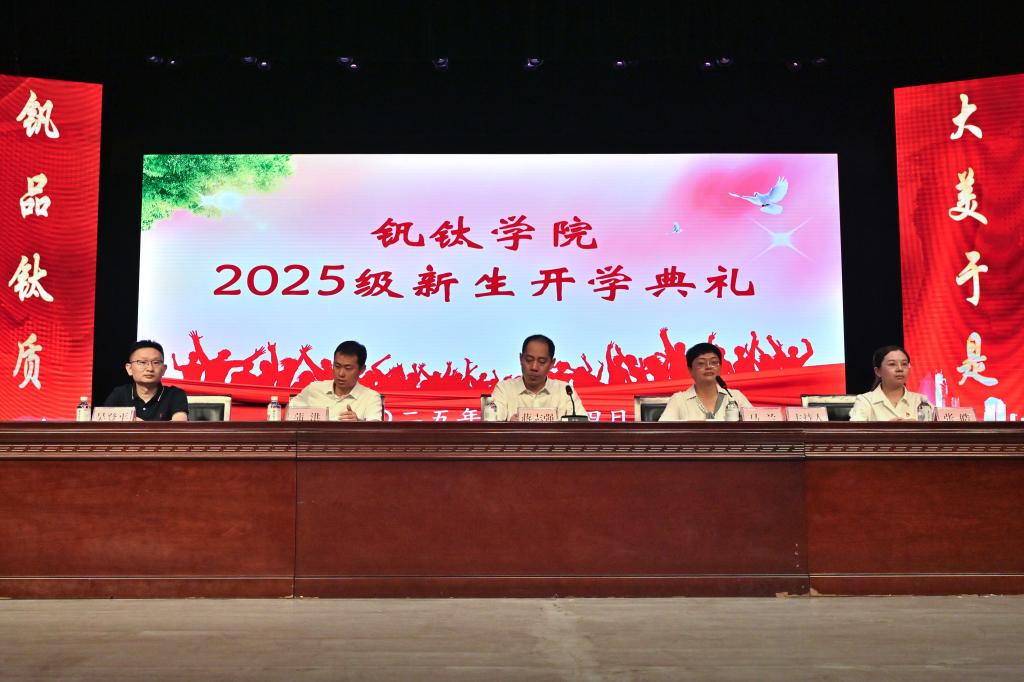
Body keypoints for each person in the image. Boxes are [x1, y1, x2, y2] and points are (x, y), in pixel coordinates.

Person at [490, 334, 587, 421]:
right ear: (521, 359)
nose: (534, 367)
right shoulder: (504, 389)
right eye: (529, 360)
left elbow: (582, 428)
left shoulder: (565, 391)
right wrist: (510, 427)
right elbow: (491, 425)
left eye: (542, 362)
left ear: (552, 363)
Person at [288, 340, 383, 421]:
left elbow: (375, 431)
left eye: (348, 368)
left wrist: (358, 424)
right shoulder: (314, 389)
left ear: (362, 369)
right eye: (337, 366)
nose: (341, 373)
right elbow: (289, 412)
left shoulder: (371, 397)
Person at [658, 342, 752, 421]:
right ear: (690, 370)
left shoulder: (735, 396)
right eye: (701, 363)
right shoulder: (679, 400)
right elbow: (662, 432)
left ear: (720, 367)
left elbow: (755, 425)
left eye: (714, 362)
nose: (708, 367)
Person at [103, 340, 189, 421]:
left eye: (156, 362)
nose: (150, 368)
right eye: (142, 362)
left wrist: (142, 427)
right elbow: (103, 421)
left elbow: (179, 424)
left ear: (164, 369)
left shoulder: (175, 394)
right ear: (129, 369)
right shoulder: (119, 394)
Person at [848, 345, 928, 421]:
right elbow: (856, 430)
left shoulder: (921, 401)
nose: (900, 369)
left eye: (904, 364)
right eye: (892, 364)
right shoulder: (865, 401)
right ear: (878, 371)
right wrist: (887, 428)